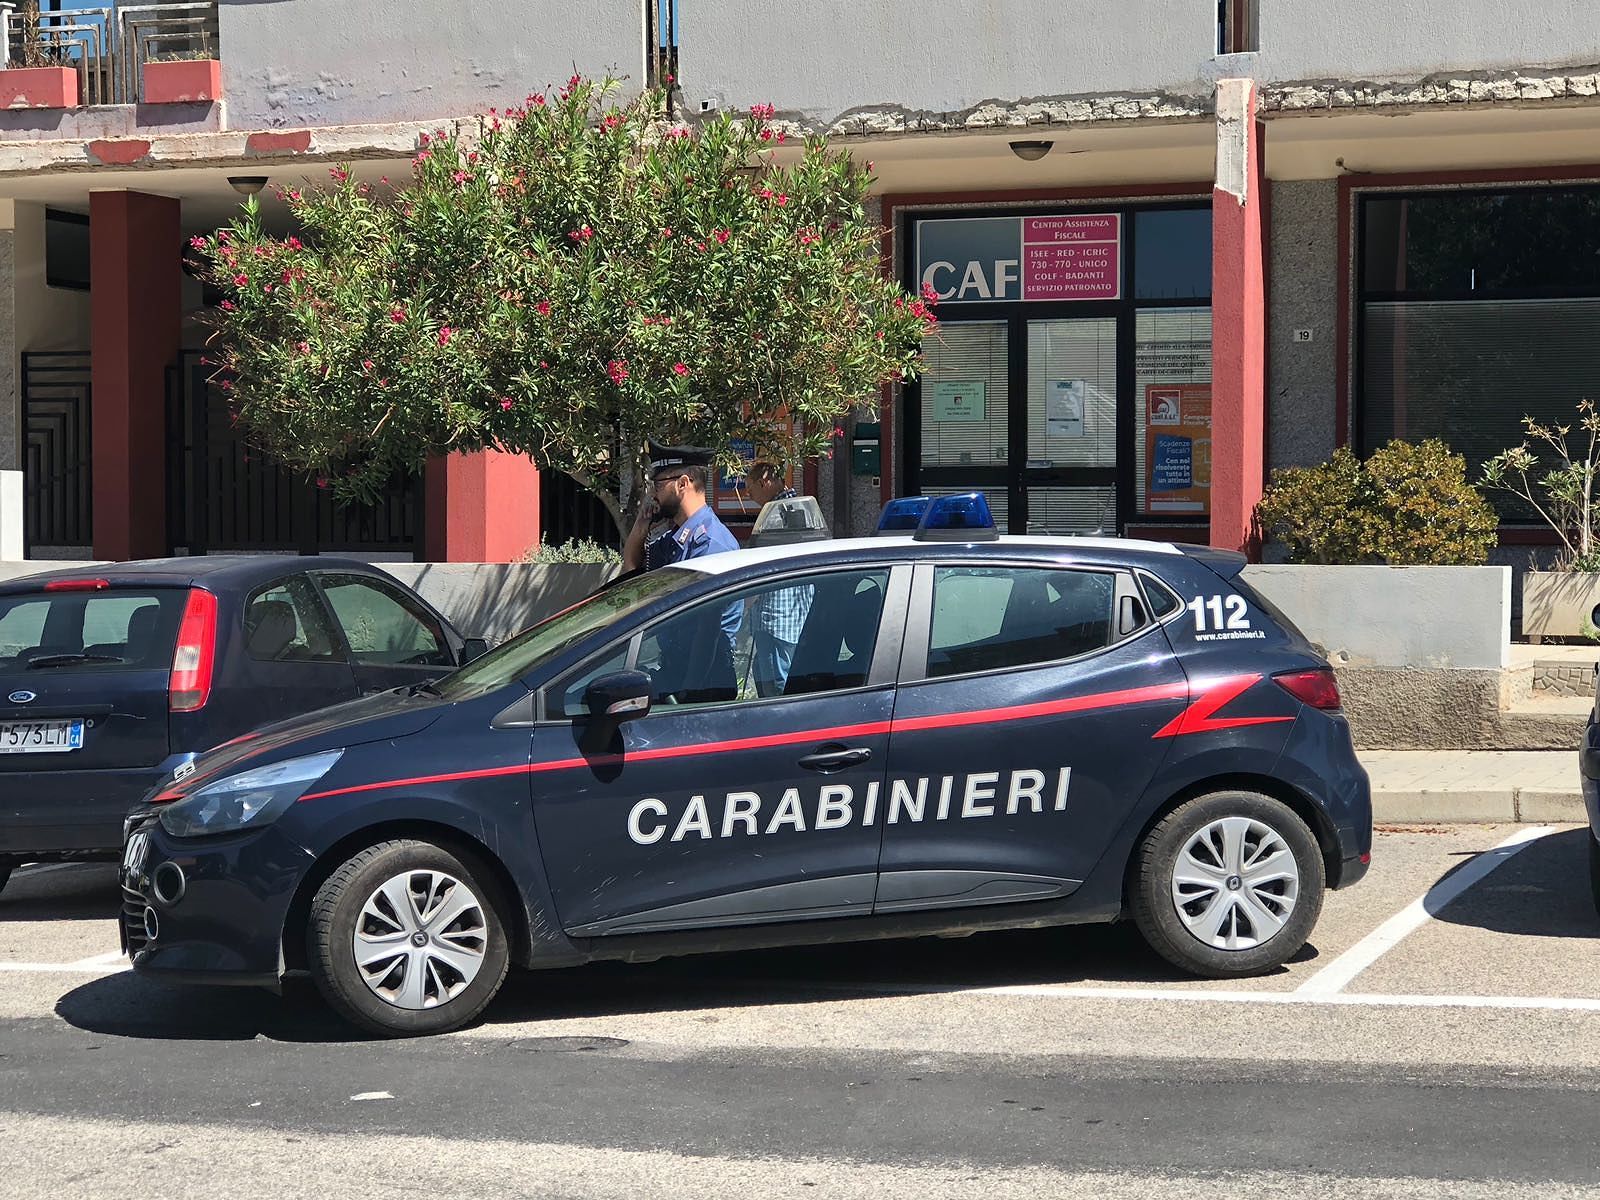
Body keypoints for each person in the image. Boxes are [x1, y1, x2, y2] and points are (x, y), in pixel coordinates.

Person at [623, 440, 742, 704]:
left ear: (682, 484)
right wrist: (643, 522)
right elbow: (630, 571)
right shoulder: (678, 538)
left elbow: (706, 631)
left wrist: (689, 692)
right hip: (679, 670)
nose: (653, 494)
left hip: (704, 681)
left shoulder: (711, 544)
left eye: (658, 485)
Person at [740, 461, 814, 698]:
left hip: (775, 619)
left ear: (764, 482)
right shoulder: (802, 508)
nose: (748, 495)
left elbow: (759, 569)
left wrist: (742, 606)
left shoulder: (775, 515)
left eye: (750, 488)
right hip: (793, 618)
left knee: (774, 690)